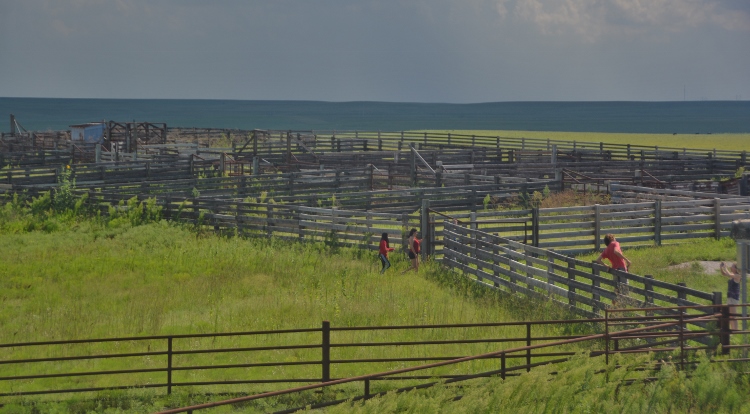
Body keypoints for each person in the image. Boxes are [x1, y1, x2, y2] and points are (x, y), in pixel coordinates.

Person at [720, 262, 742, 331]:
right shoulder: (732, 275)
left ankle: (735, 330)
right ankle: (732, 330)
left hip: (734, 298)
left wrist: (725, 267)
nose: (731, 267)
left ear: (736, 269)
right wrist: (721, 268)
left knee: (733, 315)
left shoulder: (738, 276)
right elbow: (724, 274)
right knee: (730, 315)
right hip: (730, 297)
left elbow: (729, 274)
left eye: (732, 266)